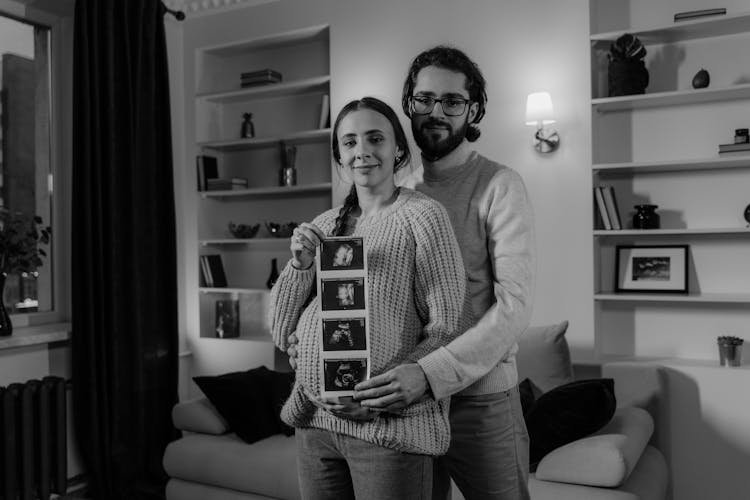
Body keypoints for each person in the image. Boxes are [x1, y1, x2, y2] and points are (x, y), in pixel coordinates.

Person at [351, 46, 537, 500]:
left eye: (452, 102)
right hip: (407, 404)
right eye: (425, 99)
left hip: (482, 401)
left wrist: (430, 374)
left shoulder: (499, 185)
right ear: (408, 103)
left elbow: (514, 306)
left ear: (472, 110)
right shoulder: (391, 190)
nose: (437, 112)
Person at [268, 96, 473, 500]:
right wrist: (299, 266)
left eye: (374, 138)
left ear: (398, 148)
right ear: (340, 157)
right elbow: (280, 332)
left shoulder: (423, 217)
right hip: (315, 426)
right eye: (349, 143)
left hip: (388, 431)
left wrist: (379, 399)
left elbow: (449, 329)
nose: (361, 151)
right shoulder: (325, 225)